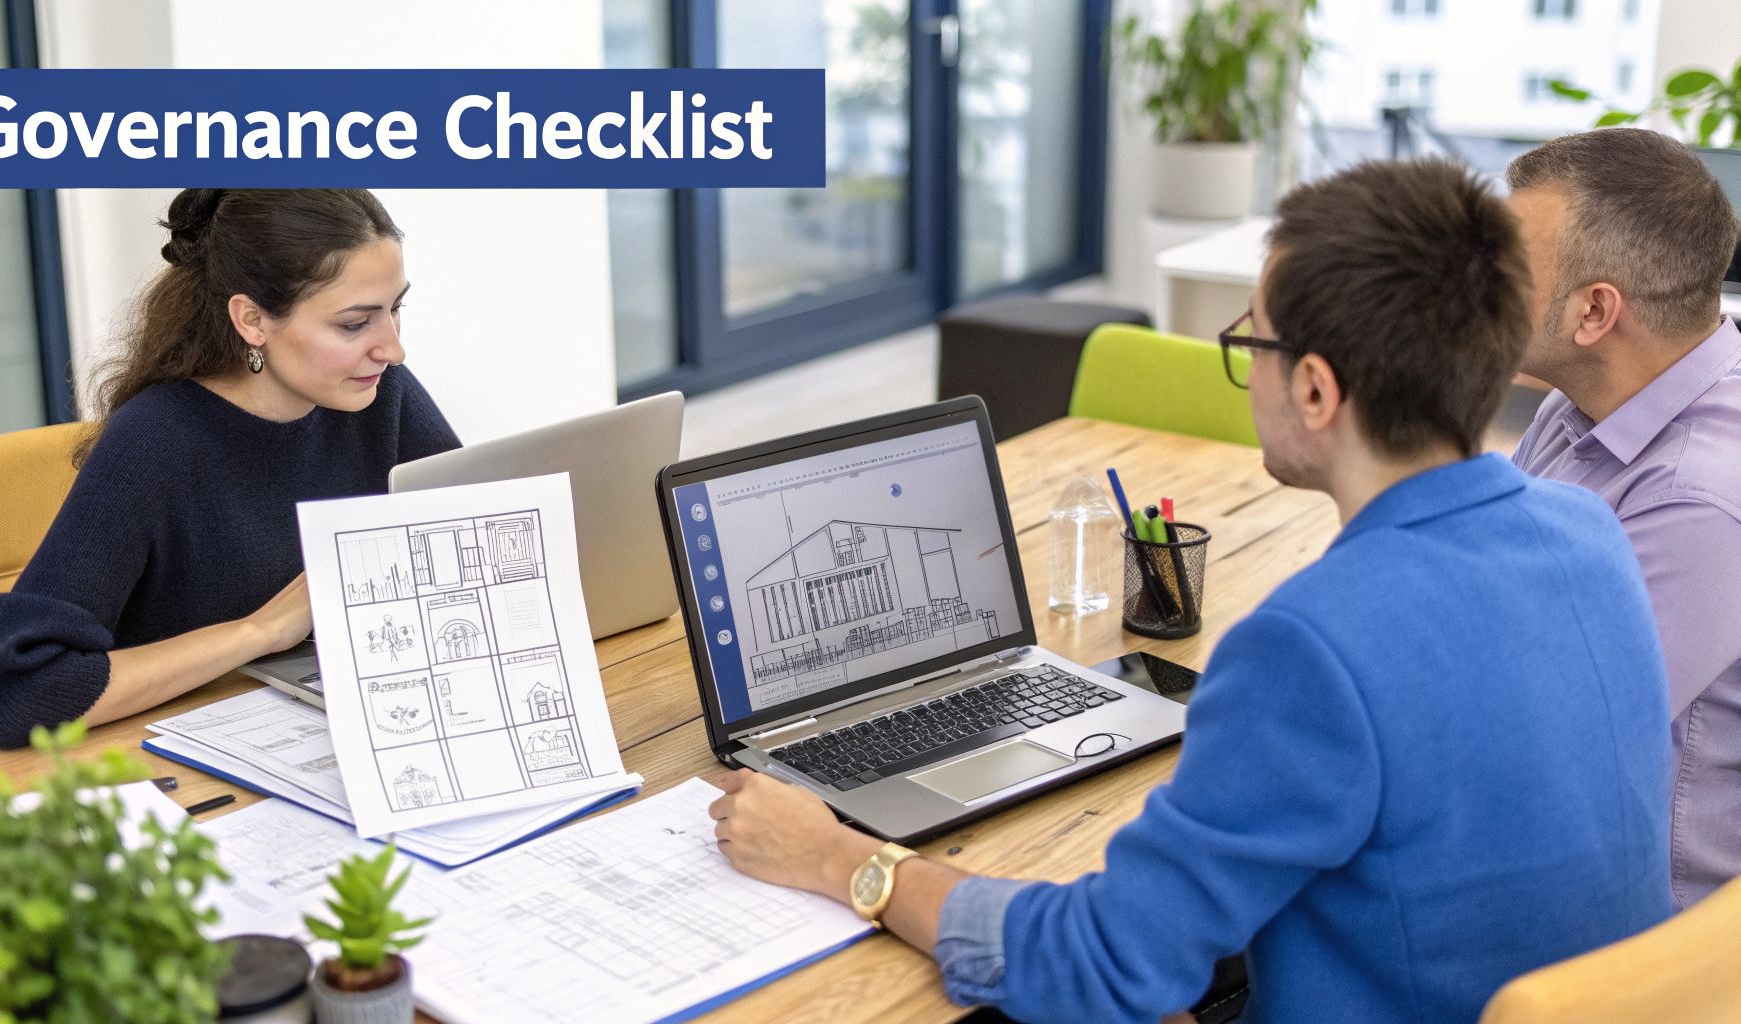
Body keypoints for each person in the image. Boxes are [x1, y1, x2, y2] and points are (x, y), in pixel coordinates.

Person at [705, 160, 1673, 1024]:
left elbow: (1101, 961)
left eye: (1251, 344)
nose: (1244, 369)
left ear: (1313, 392)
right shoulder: (1585, 531)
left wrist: (842, 860)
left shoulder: (1312, 644)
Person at [0, 188, 459, 748]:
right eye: (354, 324)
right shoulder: (155, 440)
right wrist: (263, 631)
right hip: (171, 760)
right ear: (251, 320)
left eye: (395, 310)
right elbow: (16, 690)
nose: (392, 350)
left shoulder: (378, 394)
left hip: (319, 729)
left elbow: (468, 543)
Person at [1505, 128, 1741, 910]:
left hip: (1633, 936)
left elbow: (1533, 743)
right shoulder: (1578, 405)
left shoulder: (1698, 499)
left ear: (1594, 312)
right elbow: (1480, 584)